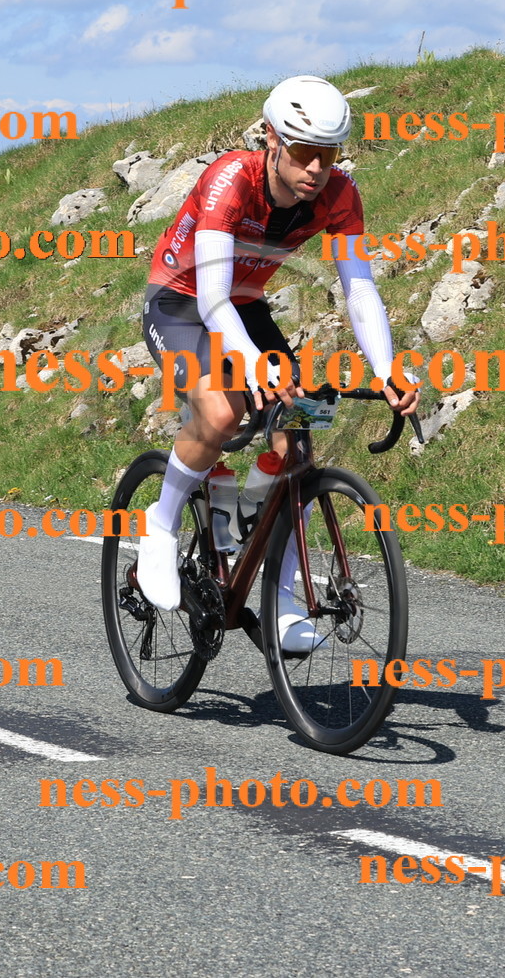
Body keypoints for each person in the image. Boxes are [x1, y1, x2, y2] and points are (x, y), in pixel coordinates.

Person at [138, 74, 419, 652]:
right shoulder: (229, 182)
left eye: (328, 154)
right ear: (272, 139)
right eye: (303, 152)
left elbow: (358, 288)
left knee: (303, 427)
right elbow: (211, 298)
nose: (316, 168)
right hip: (181, 302)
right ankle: (159, 527)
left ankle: (281, 595)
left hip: (243, 305)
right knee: (220, 414)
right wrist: (254, 366)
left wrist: (388, 367)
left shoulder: (340, 195)